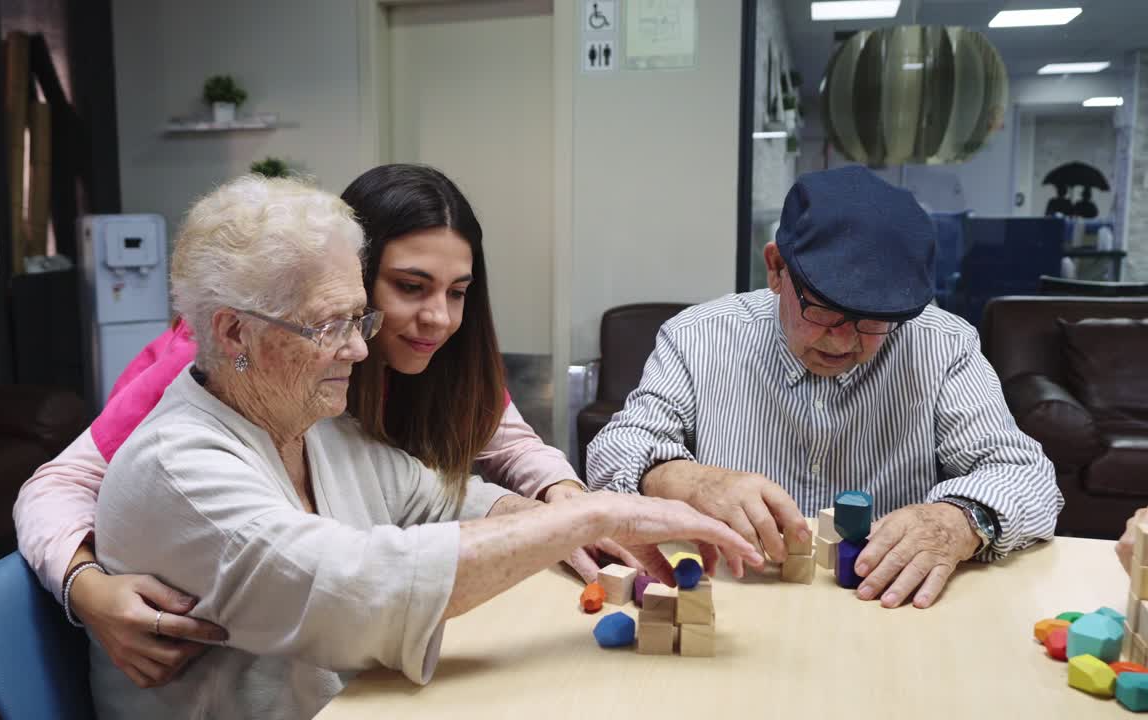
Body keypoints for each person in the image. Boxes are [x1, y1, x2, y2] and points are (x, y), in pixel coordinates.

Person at [85, 175, 760, 719]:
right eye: (330, 327)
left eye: (359, 319)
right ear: (234, 334)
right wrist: (593, 517)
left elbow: (448, 492)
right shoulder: (180, 468)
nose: (358, 346)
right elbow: (356, 590)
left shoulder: (313, 424)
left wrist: (545, 511)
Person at [13, 165, 640, 688]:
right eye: (410, 287)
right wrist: (85, 586)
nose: (439, 318)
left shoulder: (335, 397)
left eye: (459, 292)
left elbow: (491, 454)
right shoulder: (219, 371)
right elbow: (62, 483)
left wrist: (564, 500)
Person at [587, 165, 1063, 610]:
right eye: (823, 311)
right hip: (741, 600)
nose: (845, 340)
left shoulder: (944, 346)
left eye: (874, 320)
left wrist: (960, 521)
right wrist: (683, 479)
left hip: (885, 609)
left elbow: (1026, 476)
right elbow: (614, 450)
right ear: (776, 269)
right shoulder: (697, 336)